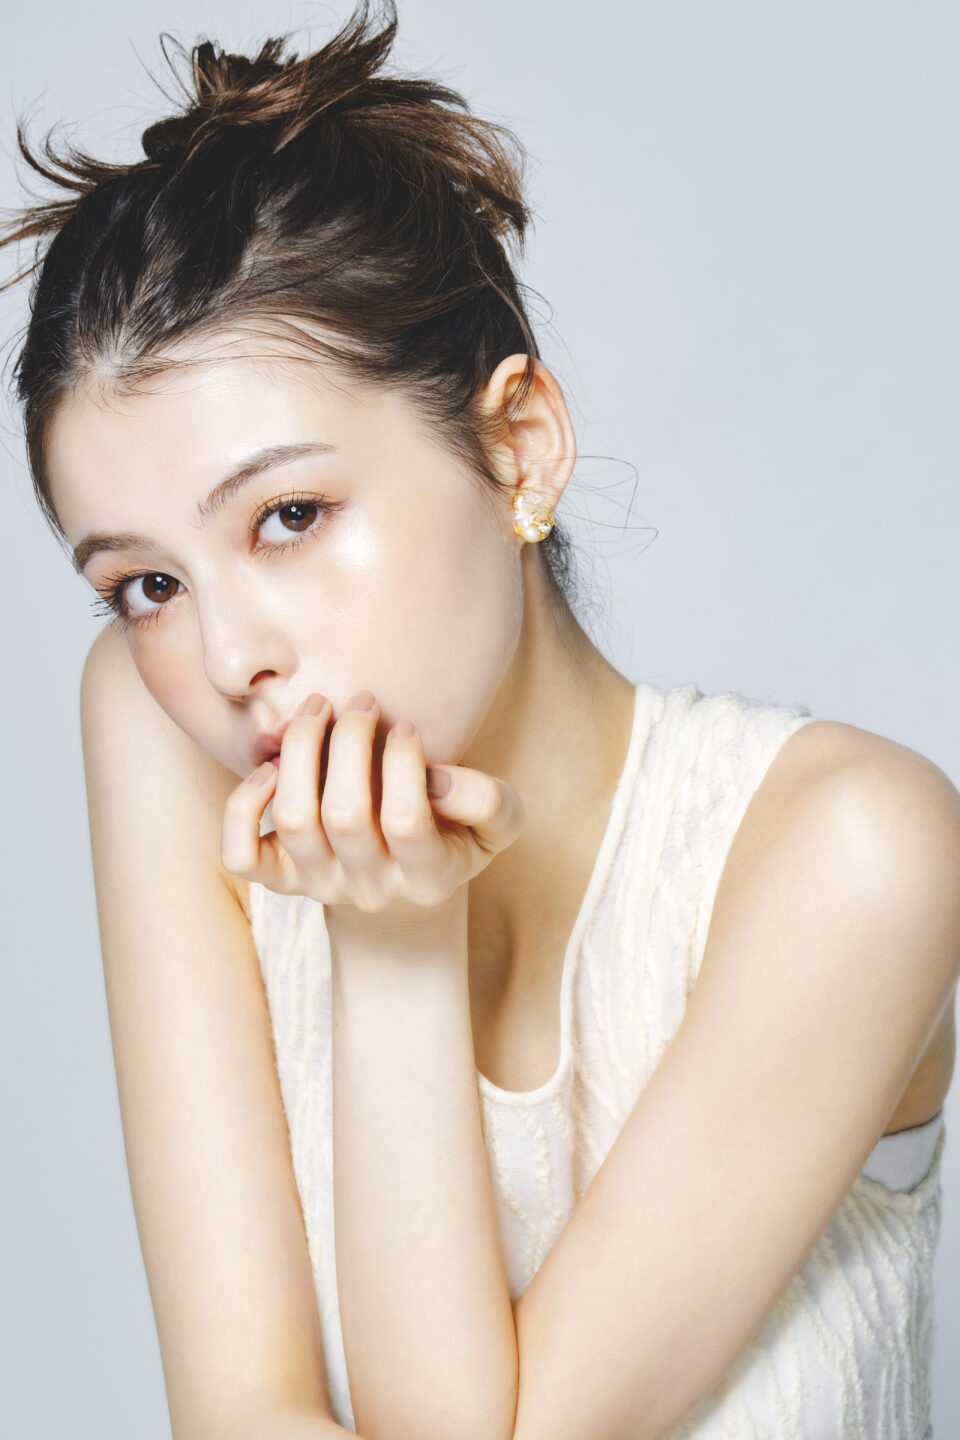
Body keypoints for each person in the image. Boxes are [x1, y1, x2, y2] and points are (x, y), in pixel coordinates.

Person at [3, 3, 957, 1437]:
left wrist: (394, 947)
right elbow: (239, 1412)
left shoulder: (857, 854)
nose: (231, 654)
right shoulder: (158, 729)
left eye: (289, 515)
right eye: (146, 584)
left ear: (519, 447)